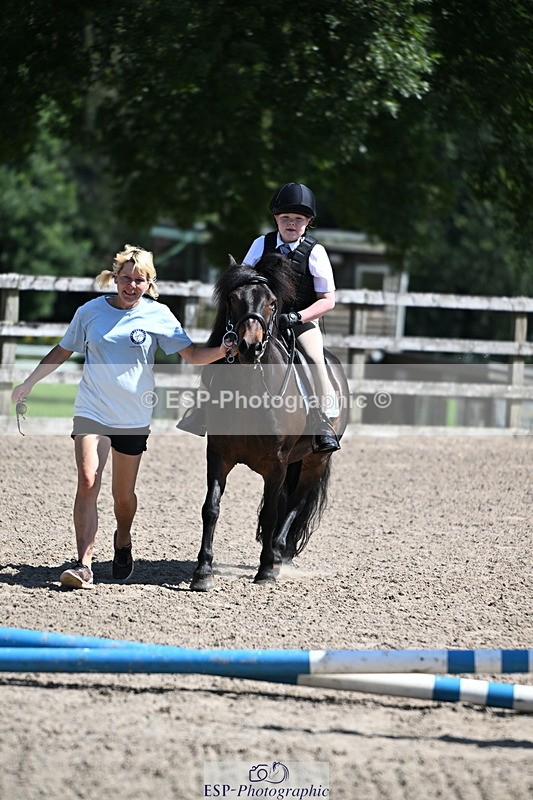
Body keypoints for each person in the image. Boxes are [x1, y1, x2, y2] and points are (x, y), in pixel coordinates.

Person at [11, 245, 234, 590]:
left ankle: (123, 539)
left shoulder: (158, 316)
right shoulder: (90, 312)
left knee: (122, 497)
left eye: (139, 281)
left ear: (149, 283)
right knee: (88, 480)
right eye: (126, 278)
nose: (131, 286)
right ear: (114, 278)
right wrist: (28, 383)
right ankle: (83, 565)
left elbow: (190, 355)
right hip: (92, 410)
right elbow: (63, 349)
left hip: (132, 417)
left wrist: (221, 351)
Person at [178, 182, 340, 453]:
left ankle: (321, 421)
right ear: (276, 218)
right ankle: (203, 408)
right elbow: (244, 280)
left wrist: (297, 317)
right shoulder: (261, 244)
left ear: (308, 222)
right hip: (259, 319)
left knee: (314, 360)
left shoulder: (315, 252)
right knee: (222, 349)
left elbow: (328, 300)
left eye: (298, 219)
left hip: (298, 321)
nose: (291, 223)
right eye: (285, 217)